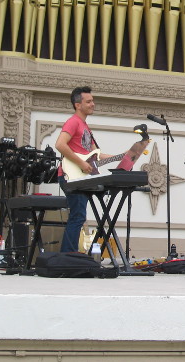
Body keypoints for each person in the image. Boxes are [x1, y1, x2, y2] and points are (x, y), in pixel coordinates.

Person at [55, 86, 115, 252]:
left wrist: (121, 157)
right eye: (88, 101)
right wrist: (81, 163)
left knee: (79, 216)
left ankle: (70, 255)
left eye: (92, 101)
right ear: (77, 105)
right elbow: (60, 144)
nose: (93, 104)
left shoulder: (85, 126)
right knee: (78, 216)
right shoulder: (73, 122)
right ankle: (68, 256)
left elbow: (96, 154)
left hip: (81, 178)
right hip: (72, 176)